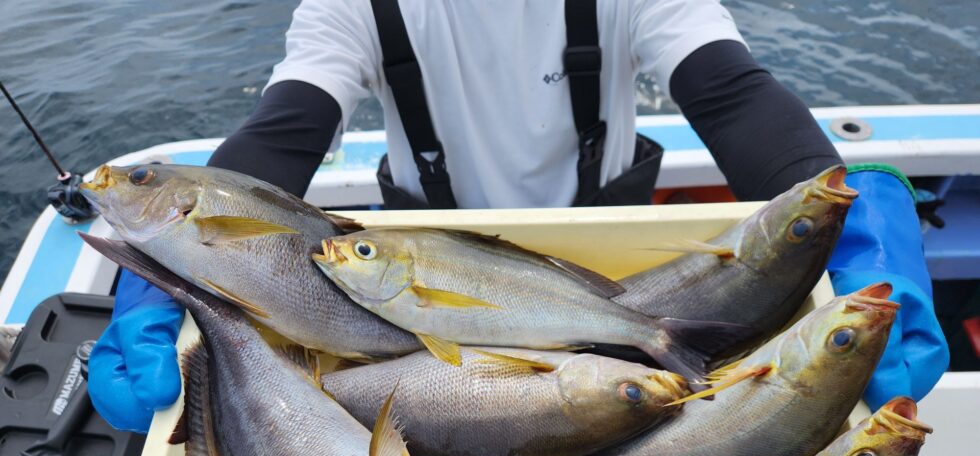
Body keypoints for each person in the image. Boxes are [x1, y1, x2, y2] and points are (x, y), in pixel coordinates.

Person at [89, 0, 949, 432]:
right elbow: (290, 124)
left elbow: (727, 91)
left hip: (602, 270)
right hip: (417, 287)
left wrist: (841, 200)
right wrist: (175, 256)